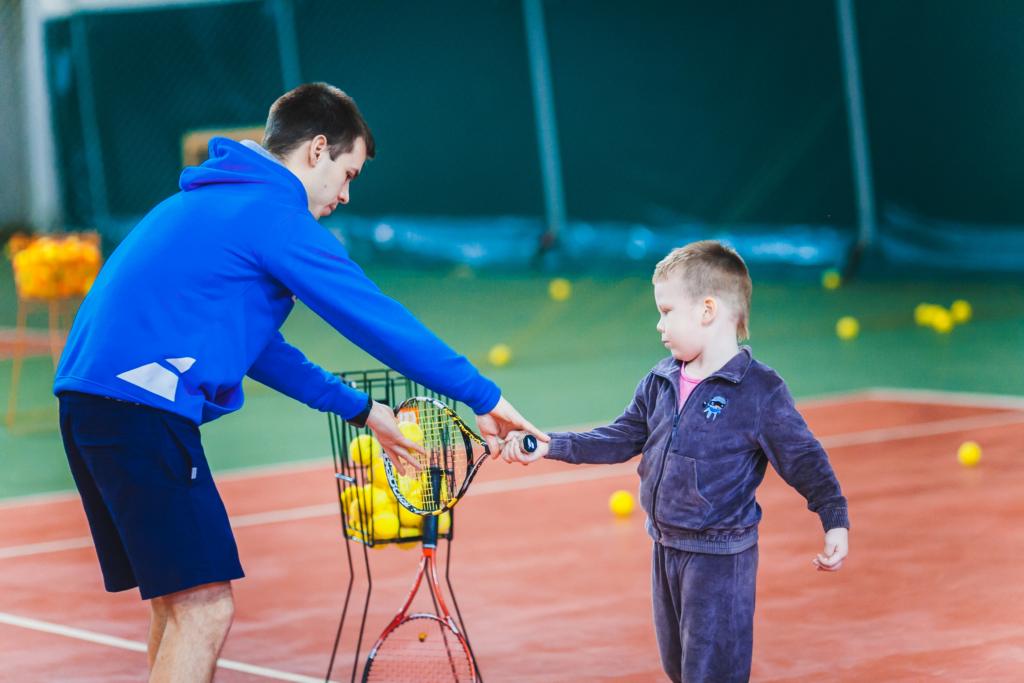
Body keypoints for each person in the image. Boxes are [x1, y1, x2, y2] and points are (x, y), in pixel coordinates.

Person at [54, 83, 545, 683]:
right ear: (316, 150)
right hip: (138, 411)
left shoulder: (219, 201)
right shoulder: (272, 214)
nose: (344, 194)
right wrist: (485, 397)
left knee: (179, 603)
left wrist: (363, 411)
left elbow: (261, 350)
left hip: (94, 407)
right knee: (204, 608)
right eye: (347, 173)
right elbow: (375, 319)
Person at [500, 241, 849, 683]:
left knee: (711, 673)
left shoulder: (760, 390)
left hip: (720, 558)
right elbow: (622, 437)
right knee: (679, 668)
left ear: (707, 310)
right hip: (665, 548)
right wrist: (551, 444)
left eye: (666, 311)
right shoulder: (660, 379)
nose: (658, 324)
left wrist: (833, 516)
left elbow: (803, 457)